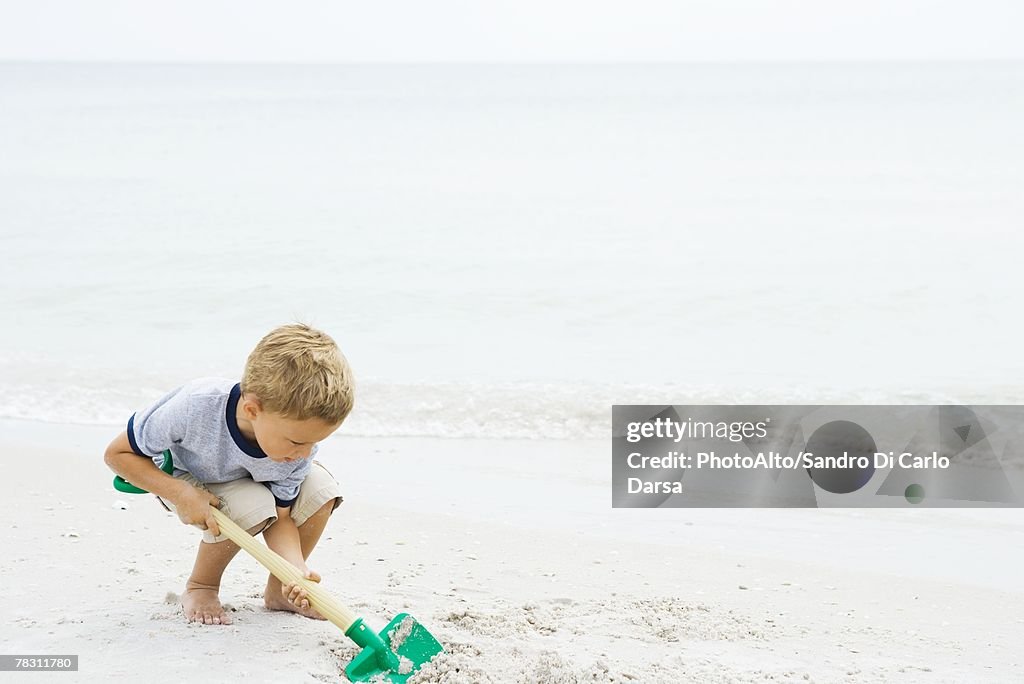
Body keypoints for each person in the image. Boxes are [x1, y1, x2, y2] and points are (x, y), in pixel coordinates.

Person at [103, 323, 355, 625]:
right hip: (185, 479)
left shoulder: (297, 449)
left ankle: (279, 591)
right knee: (252, 505)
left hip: (249, 481)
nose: (306, 452)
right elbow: (117, 454)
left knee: (321, 488)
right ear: (252, 410)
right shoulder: (196, 406)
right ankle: (202, 585)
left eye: (315, 442)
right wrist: (179, 494)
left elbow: (282, 518)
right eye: (298, 441)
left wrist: (295, 569)